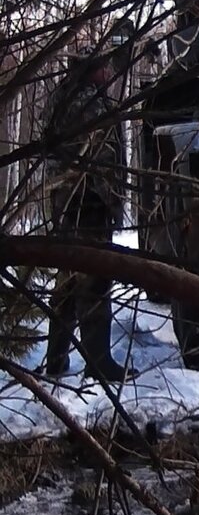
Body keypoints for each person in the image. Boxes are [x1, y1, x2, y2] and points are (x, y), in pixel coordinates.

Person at [39, 45, 137, 381]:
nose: (109, 71)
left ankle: (56, 358)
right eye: (104, 65)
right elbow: (102, 157)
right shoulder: (88, 102)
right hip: (87, 202)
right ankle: (98, 362)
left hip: (66, 201)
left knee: (67, 280)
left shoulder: (62, 97)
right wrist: (111, 199)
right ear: (91, 69)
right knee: (94, 280)